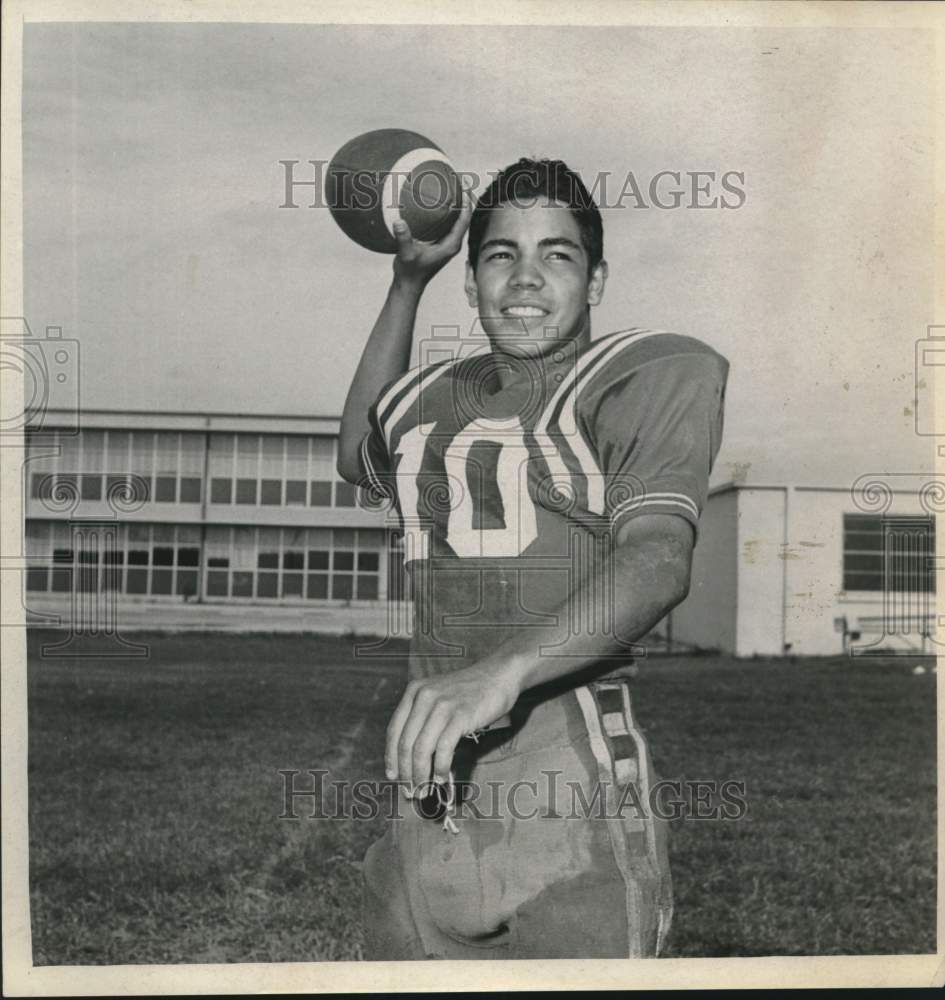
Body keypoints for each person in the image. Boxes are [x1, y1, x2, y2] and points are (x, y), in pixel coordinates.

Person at [337, 158, 729, 960]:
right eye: (498, 255)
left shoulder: (641, 372)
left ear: (596, 279)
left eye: (557, 254)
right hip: (430, 777)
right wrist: (406, 283)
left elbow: (656, 557)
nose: (524, 278)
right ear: (470, 279)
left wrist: (497, 675)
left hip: (567, 776)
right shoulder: (429, 395)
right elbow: (356, 452)